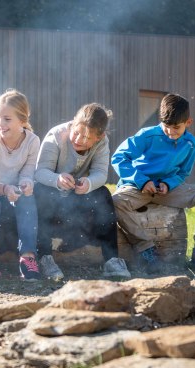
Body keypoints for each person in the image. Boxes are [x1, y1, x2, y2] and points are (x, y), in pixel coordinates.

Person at [111, 93, 195, 274]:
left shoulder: (191, 144)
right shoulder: (147, 136)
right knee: (114, 201)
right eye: (167, 128)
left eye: (176, 128)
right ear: (161, 121)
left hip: (166, 191)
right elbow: (119, 157)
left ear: (188, 122)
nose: (171, 133)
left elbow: (183, 173)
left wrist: (168, 184)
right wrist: (141, 180)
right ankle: (146, 250)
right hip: (138, 187)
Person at [33, 103, 131, 281]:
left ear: (99, 137)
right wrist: (57, 180)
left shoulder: (103, 143)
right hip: (53, 196)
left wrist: (89, 183)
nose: (78, 139)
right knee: (40, 191)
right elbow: (40, 173)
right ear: (73, 123)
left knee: (103, 194)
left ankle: (111, 260)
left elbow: (101, 174)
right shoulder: (56, 135)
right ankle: (44, 258)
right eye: (76, 132)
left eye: (86, 137)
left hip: (78, 198)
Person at [0, 90, 41, 281]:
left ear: (22, 119)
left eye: (7, 119)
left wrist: (26, 184)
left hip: (13, 193)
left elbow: (28, 172)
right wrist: (3, 189)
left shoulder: (32, 141)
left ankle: (27, 257)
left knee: (28, 198)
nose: (0, 124)